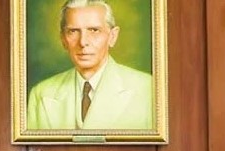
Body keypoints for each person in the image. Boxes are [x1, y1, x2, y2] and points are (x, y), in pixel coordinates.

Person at [27, 0, 153, 130]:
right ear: (63, 39)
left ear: (112, 36)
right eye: (73, 31)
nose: (83, 42)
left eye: (94, 30)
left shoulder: (148, 89)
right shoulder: (41, 93)